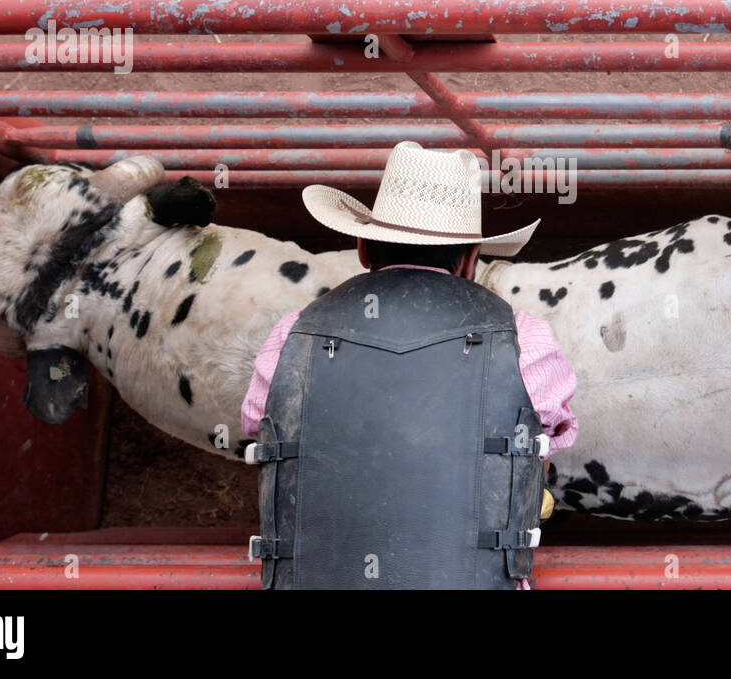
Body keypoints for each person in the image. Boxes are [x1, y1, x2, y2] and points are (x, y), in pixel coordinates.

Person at [242, 141, 577, 589]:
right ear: (471, 259)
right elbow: (547, 444)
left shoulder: (292, 336)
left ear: (362, 248)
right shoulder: (524, 339)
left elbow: (259, 427)